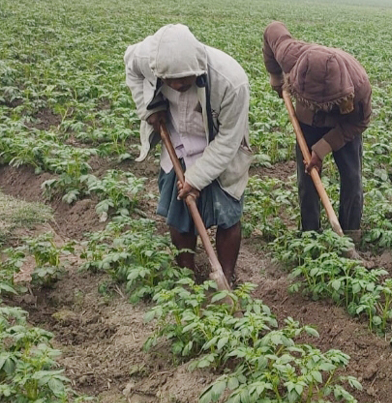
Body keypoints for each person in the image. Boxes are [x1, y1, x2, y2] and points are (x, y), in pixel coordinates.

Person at [124, 23, 254, 285]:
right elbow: (131, 69)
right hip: (176, 134)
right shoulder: (146, 57)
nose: (178, 84)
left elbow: (228, 141)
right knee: (179, 209)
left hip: (216, 141)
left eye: (185, 78)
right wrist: (148, 110)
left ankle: (226, 277)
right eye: (171, 80)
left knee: (228, 212)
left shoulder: (231, 81)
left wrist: (196, 179)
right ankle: (187, 275)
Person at [261, 21, 372, 254]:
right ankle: (310, 232)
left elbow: (359, 122)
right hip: (306, 121)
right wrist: (275, 76)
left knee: (351, 175)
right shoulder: (290, 54)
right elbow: (272, 30)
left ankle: (350, 233)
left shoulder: (359, 88)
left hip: (344, 124)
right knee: (307, 177)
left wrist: (322, 148)